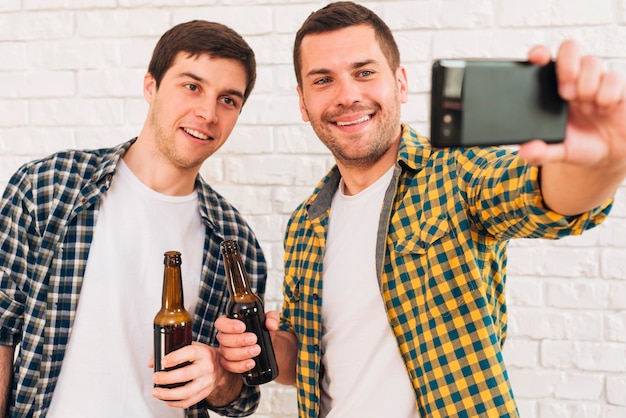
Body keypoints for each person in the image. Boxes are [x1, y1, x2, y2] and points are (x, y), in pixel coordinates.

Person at [215, 1, 626, 417]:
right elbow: (306, 357)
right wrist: (261, 348)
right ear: (303, 103)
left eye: (364, 72)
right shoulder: (306, 223)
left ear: (401, 84)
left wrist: (601, 162)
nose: (348, 95)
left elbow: (544, 198)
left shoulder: (458, 173)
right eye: (324, 80)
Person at [0, 20, 267, 418]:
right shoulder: (47, 188)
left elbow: (241, 396)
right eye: (192, 86)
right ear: (151, 87)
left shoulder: (235, 241)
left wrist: (218, 372)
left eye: (228, 99)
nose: (208, 112)